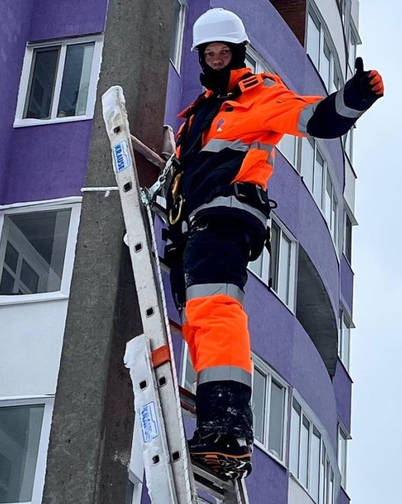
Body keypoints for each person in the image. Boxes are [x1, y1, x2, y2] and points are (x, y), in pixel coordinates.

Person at [165, 8, 384, 479]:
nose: (218, 59)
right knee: (201, 320)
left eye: (225, 52)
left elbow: (317, 119)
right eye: (210, 53)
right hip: (194, 230)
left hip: (228, 218)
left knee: (216, 310)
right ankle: (214, 427)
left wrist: (353, 97)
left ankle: (228, 426)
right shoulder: (197, 117)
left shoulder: (259, 95)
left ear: (238, 53)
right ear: (202, 57)